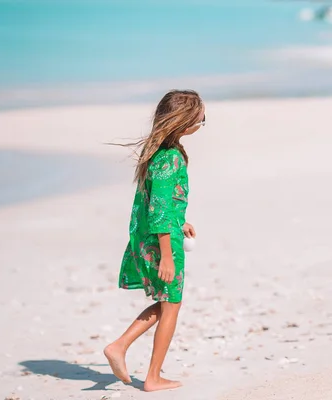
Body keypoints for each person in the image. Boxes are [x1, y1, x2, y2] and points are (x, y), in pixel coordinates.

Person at [104, 89, 205, 392]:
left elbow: (159, 202)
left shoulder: (159, 152)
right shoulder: (170, 158)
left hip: (158, 234)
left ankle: (120, 347)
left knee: (167, 302)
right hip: (162, 242)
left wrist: (180, 222)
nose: (202, 123)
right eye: (201, 118)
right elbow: (158, 209)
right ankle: (151, 375)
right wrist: (168, 255)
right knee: (172, 304)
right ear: (184, 122)